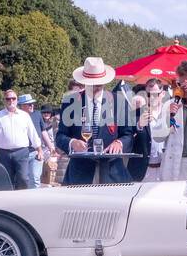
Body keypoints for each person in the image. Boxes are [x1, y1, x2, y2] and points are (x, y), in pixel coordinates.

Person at [55, 57, 135, 185]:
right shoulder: (70, 101)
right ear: (84, 82)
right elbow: (60, 137)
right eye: (91, 84)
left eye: (98, 84)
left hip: (112, 173)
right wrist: (72, 142)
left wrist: (119, 143)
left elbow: (128, 135)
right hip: (79, 175)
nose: (95, 88)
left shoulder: (118, 102)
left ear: (104, 82)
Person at [0, 89, 43, 190]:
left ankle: (22, 201)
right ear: (4, 101)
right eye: (8, 99)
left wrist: (39, 150)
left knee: (23, 178)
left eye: (13, 98)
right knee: (6, 180)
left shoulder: (24, 116)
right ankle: (8, 203)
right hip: (4, 154)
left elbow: (33, 134)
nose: (11, 101)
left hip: (22, 153)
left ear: (17, 100)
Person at [18, 94, 46, 188]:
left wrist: (50, 146)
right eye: (29, 104)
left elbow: (43, 131)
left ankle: (36, 200)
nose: (32, 106)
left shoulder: (37, 114)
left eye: (32, 104)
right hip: (21, 153)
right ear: (21, 106)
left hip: (35, 151)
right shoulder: (16, 117)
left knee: (35, 178)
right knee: (23, 179)